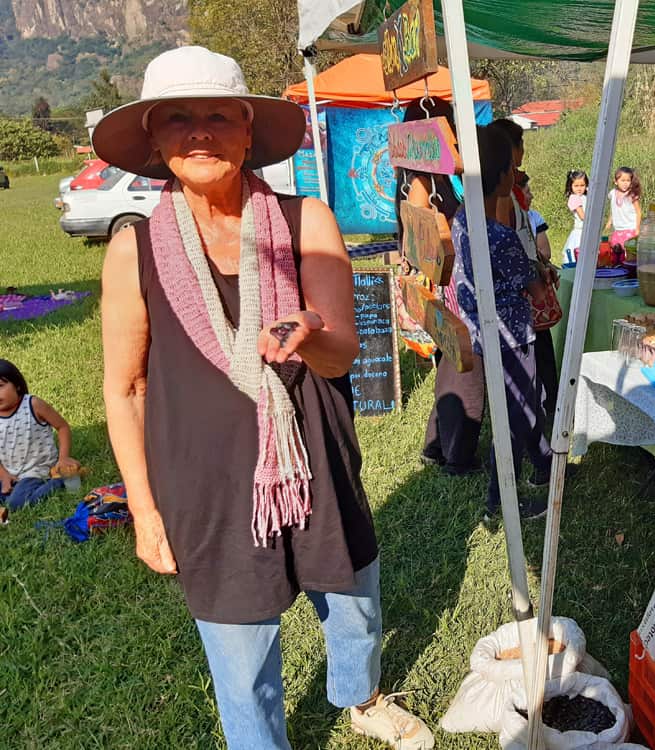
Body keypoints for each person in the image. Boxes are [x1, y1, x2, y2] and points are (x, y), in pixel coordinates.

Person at [97, 46, 434, 750]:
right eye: (178, 119)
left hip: (312, 462)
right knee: (239, 653)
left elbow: (342, 352)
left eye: (218, 115)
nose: (199, 132)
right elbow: (127, 387)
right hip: (207, 489)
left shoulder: (305, 220)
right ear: (155, 141)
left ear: (248, 130)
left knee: (352, 608)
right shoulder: (135, 251)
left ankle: (360, 697)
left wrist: (310, 330)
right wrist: (143, 507)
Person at [451, 126, 551, 520]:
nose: (516, 174)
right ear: (502, 176)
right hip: (511, 335)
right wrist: (540, 274)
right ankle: (500, 500)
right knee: (516, 416)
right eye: (511, 167)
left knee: (513, 409)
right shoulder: (499, 236)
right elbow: (537, 292)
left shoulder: (463, 220)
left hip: (483, 331)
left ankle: (542, 465)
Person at [394, 100, 485, 475]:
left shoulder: (428, 175)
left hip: (445, 282)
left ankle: (437, 444)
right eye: (449, 127)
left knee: (452, 362)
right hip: (447, 284)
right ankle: (458, 455)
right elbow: (425, 241)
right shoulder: (420, 181)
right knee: (467, 360)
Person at [0, 359, 80, 522]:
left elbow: (62, 427)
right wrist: (4, 475)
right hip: (9, 472)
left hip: (35, 471)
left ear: (17, 385)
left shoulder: (33, 404)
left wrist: (63, 458)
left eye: (0, 387)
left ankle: (59, 480)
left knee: (17, 503)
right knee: (11, 497)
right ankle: (10, 494)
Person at [514, 170, 560, 421]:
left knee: (542, 351)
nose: (531, 195)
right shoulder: (512, 218)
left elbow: (539, 252)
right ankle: (542, 405)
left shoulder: (524, 217)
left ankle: (549, 401)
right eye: (527, 190)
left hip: (533, 304)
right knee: (535, 354)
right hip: (527, 302)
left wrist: (545, 265)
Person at [605, 167, 642, 250]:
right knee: (616, 250)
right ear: (616, 181)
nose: (625, 183)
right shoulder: (612, 193)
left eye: (628, 181)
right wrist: (609, 221)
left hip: (630, 228)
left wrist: (637, 228)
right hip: (617, 229)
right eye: (622, 180)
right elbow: (613, 209)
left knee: (628, 252)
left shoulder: (631, 195)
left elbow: (638, 212)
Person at [563, 170, 589, 263]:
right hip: (580, 232)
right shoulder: (574, 198)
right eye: (576, 186)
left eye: (582, 185)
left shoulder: (585, 197)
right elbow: (582, 216)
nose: (579, 188)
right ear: (571, 186)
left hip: (587, 229)